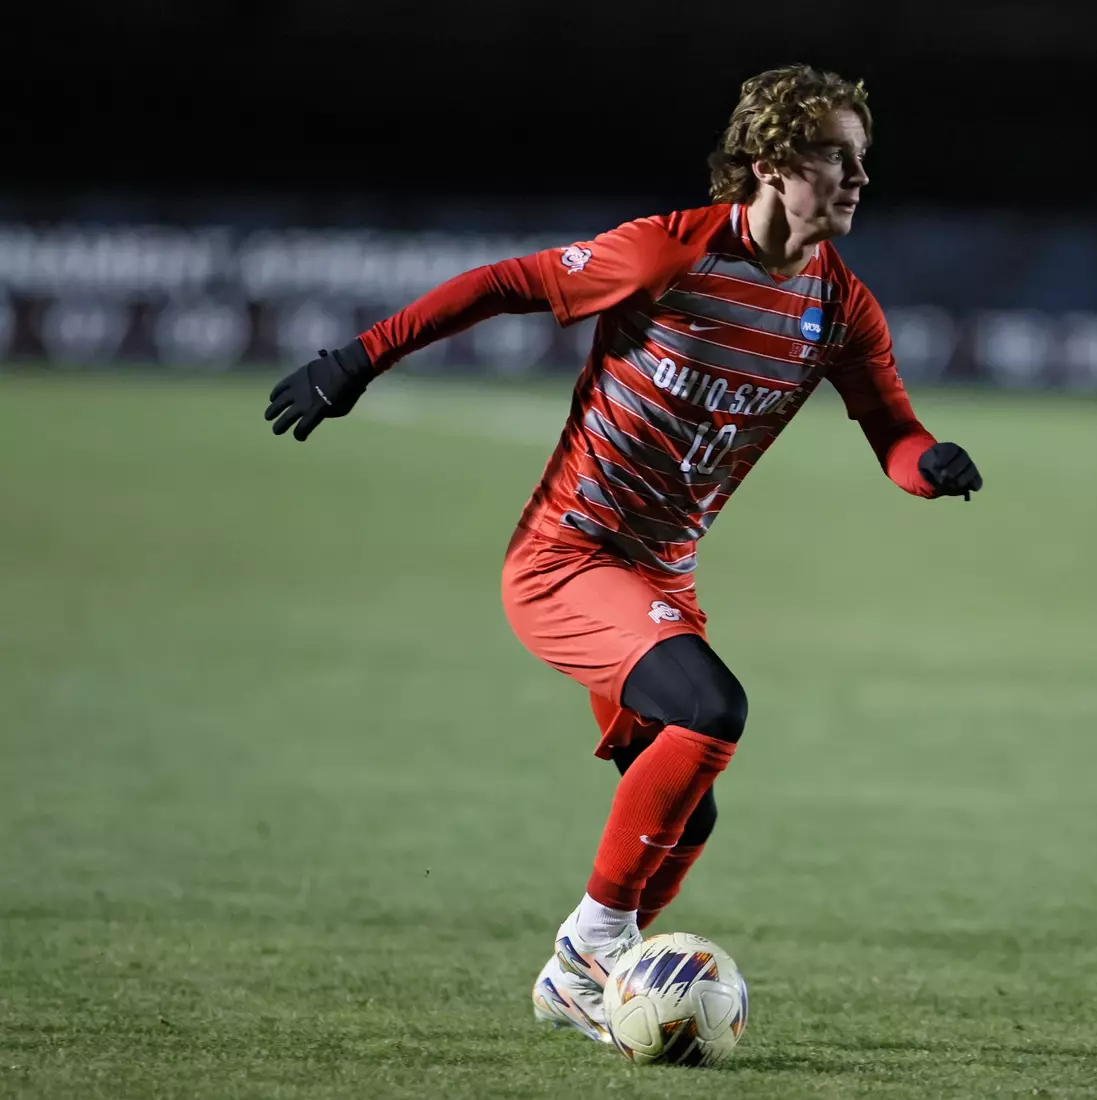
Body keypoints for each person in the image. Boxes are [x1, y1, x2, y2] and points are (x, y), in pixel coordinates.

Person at [263, 63, 983, 1043]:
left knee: (690, 817)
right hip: (567, 560)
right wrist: (357, 360)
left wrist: (926, 464)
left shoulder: (840, 309)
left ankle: (584, 980)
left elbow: (890, 430)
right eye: (834, 155)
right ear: (771, 163)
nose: (858, 177)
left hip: (659, 580)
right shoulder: (670, 253)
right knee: (712, 708)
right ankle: (592, 945)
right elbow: (503, 282)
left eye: (863, 158)